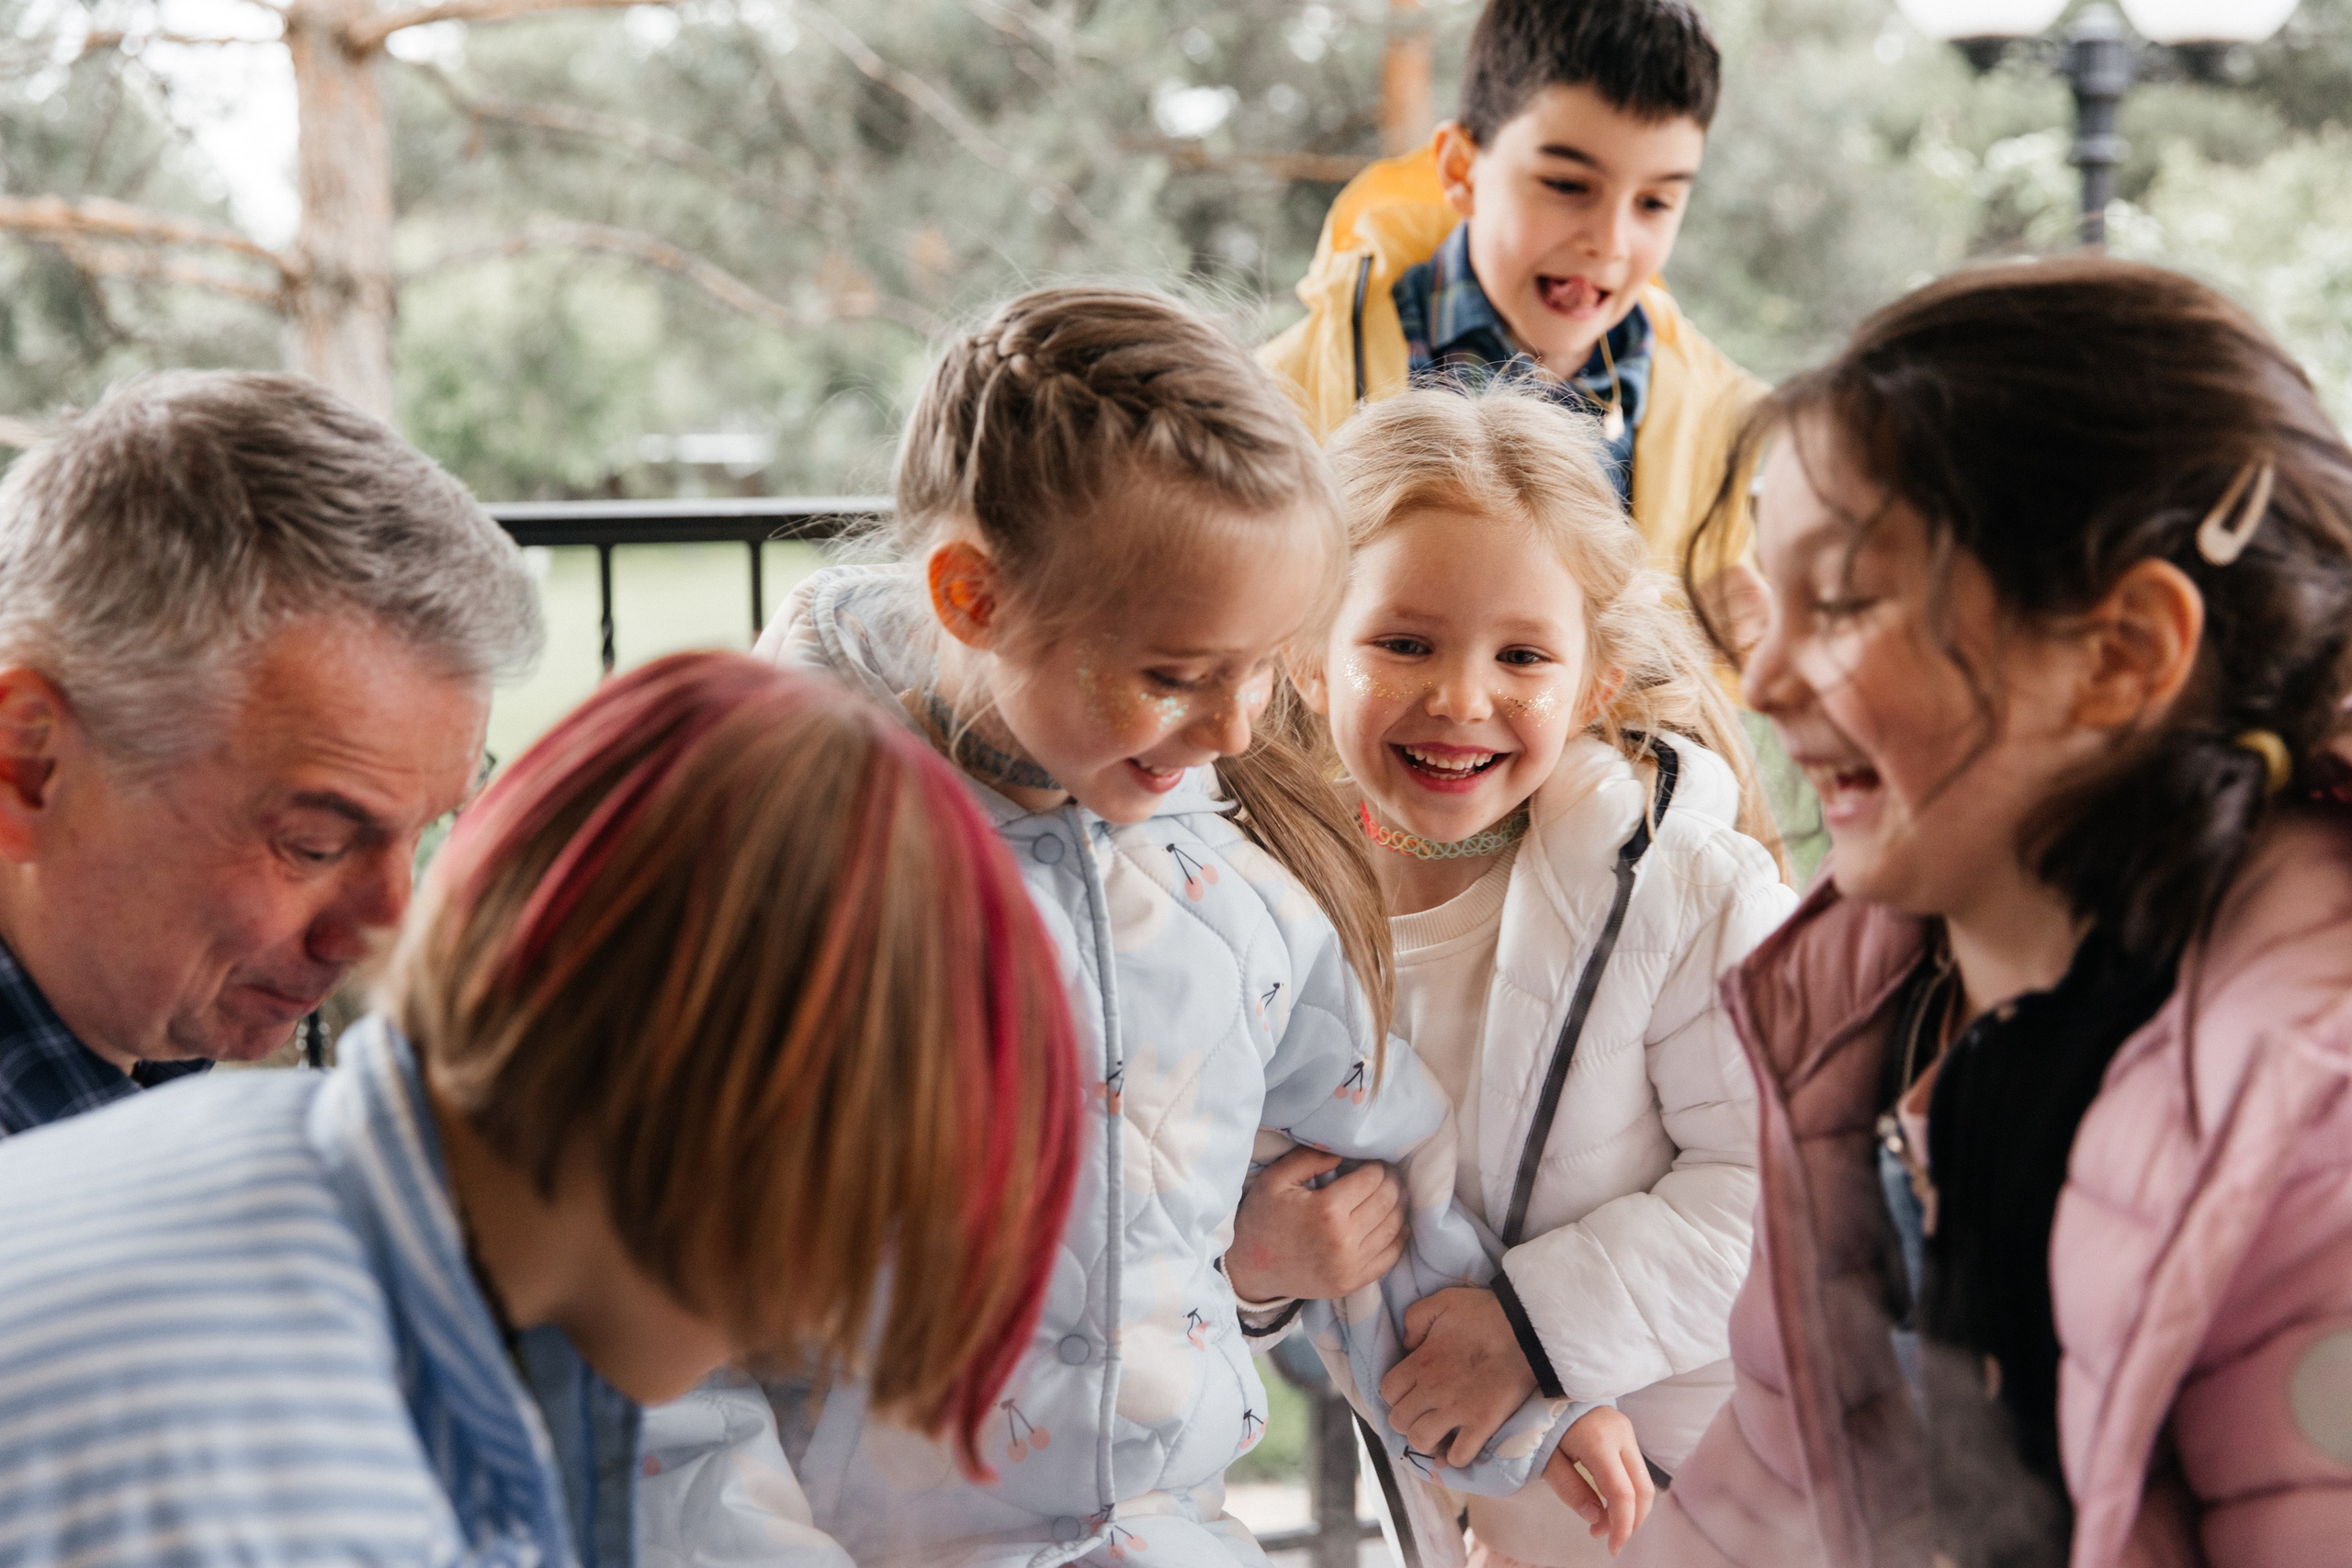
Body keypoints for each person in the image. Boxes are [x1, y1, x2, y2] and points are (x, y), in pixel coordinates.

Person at [640, 285, 1610, 1568]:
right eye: (1174, 674)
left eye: (1262, 666)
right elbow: (645, 1349)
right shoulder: (759, 888)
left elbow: (1378, 1174)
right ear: (974, 598)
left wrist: (1529, 1405)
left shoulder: (1237, 884)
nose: (1237, 731)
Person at [0, 650, 1088, 1568]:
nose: (828, 1315)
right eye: (870, 1220)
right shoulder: (306, 1481)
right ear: (747, 1116)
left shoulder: (280, 1200)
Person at [1623, 256, 2352, 1568]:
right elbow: (1774, 1491)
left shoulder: (2311, 1117)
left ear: (2122, 652)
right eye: (1762, 604)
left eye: (1842, 602)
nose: (1767, 678)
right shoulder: (1877, 1017)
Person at [1256, 385, 1792, 1565]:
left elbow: (1787, 1188)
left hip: (1725, 1494)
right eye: (1403, 642)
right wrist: (1257, 1268)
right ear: (1304, 655)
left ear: (1592, 681)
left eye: (1523, 656)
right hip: (1494, 1511)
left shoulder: (1686, 889)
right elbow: (1197, 1197)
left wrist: (1535, 1337)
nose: (1460, 698)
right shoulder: (1264, 915)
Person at [0, 370, 541, 1136]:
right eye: (313, 845)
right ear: (28, 767)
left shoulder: (123, 1056)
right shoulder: (51, 1221)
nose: (384, 928)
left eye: (427, 829)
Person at [1259, 0, 1761, 589]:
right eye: (1567, 185)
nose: (1610, 242)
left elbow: (1714, 667)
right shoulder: (1280, 399)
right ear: (1461, 170)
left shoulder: (1719, 428)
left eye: (1655, 203)